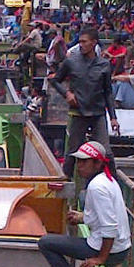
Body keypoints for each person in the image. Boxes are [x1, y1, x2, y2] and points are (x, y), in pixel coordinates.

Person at [37, 141, 130, 267]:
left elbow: (110, 227)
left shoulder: (97, 187)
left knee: (45, 243)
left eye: (84, 162)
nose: (79, 166)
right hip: (119, 247)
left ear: (98, 163)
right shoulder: (107, 180)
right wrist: (83, 218)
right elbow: (103, 217)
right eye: (79, 161)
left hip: (108, 249)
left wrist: (100, 258)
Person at [50, 27, 119, 180]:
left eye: (84, 42)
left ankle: (113, 183)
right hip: (78, 112)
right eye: (80, 41)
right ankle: (65, 183)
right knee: (72, 152)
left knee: (106, 152)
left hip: (98, 113)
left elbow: (108, 92)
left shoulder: (104, 65)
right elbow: (54, 80)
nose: (81, 45)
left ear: (93, 43)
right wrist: (67, 93)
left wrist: (113, 117)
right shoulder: (71, 62)